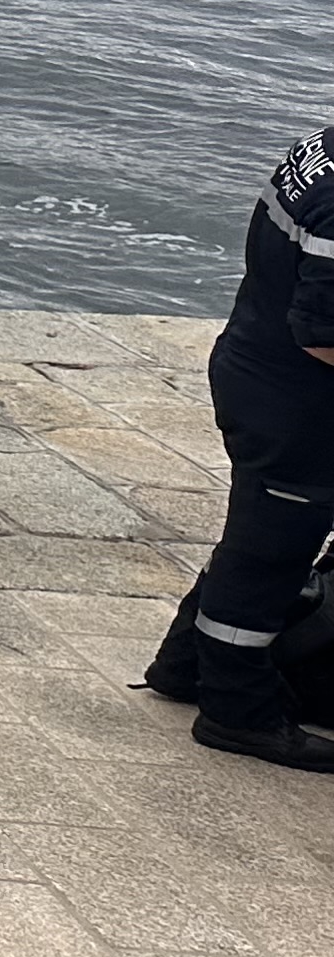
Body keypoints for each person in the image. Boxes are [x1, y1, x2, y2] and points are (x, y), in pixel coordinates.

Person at [144, 121, 334, 770]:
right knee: (269, 552)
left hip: (259, 367)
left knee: (261, 533)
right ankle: (238, 713)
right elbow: (323, 332)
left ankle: (183, 666)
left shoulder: (324, 146)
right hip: (299, 402)